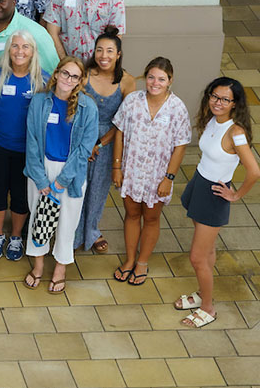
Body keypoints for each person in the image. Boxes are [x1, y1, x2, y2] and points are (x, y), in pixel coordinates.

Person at [175, 77, 260, 328]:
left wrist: (236, 195)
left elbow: (254, 170)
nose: (218, 102)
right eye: (214, 96)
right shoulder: (212, 117)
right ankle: (204, 293)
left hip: (214, 194)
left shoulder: (237, 132)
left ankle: (208, 308)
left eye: (225, 99)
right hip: (200, 183)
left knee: (197, 258)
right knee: (207, 251)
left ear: (235, 104)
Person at [110, 57, 190, 286]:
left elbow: (180, 145)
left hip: (158, 175)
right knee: (132, 215)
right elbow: (119, 133)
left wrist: (169, 178)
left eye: (161, 79)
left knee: (152, 218)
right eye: (151, 77)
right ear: (146, 77)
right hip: (132, 171)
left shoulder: (177, 108)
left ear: (170, 81)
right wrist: (116, 167)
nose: (155, 83)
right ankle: (130, 259)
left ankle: (142, 262)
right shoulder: (133, 101)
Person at [23, 56, 98, 294]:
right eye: (65, 73)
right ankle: (38, 265)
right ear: (56, 74)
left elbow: (85, 149)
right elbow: (32, 140)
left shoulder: (88, 108)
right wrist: (42, 180)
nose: (68, 79)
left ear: (80, 81)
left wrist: (62, 181)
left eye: (74, 76)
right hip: (41, 169)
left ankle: (60, 269)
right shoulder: (39, 101)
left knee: (67, 222)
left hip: (71, 173)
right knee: (38, 217)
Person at [0, 30, 49, 262]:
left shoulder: (43, 80)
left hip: (27, 150)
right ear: (8, 49)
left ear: (33, 51)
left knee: (20, 195)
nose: (20, 51)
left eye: (25, 47)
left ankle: (17, 236)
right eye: (15, 46)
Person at [73, 28, 135, 256]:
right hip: (80, 136)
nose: (104, 55)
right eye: (99, 50)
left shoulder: (127, 81)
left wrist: (99, 144)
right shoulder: (85, 74)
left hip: (108, 141)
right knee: (77, 185)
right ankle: (74, 231)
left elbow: (122, 121)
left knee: (98, 189)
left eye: (110, 51)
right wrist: (85, 142)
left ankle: (91, 230)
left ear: (118, 54)